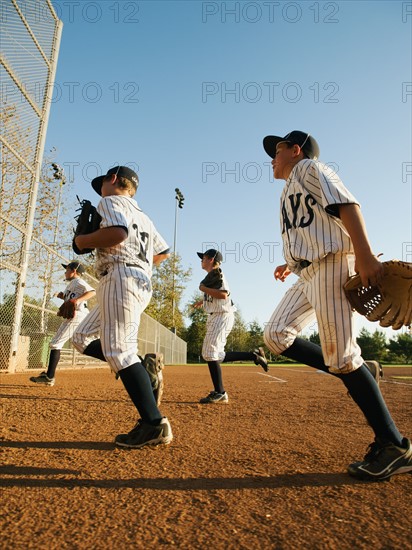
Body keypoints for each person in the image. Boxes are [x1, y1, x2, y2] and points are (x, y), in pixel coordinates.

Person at [262, 130, 411, 481]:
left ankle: (394, 445)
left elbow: (347, 206)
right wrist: (292, 261)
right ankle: (360, 371)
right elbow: (312, 228)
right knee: (275, 336)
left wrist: (364, 255)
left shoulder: (312, 168)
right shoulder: (290, 186)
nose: (272, 157)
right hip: (308, 271)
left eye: (277, 149)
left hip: (332, 264)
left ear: (296, 150)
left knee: (342, 358)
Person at [71, 165, 172, 449]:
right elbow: (163, 252)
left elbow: (117, 232)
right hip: (131, 281)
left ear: (113, 179)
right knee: (80, 338)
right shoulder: (145, 217)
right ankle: (142, 368)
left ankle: (154, 424)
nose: (100, 189)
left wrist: (83, 241)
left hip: (120, 278)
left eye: (102, 182)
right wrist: (141, 264)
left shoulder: (110, 201)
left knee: (118, 351)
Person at [193, 248, 268, 404]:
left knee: (209, 352)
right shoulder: (212, 275)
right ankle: (253, 356)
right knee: (216, 355)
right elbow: (218, 295)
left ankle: (220, 393)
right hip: (220, 316)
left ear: (211, 259)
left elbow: (224, 294)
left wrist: (203, 289)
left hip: (221, 317)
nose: (202, 260)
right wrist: (203, 301)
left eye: (204, 257)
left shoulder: (216, 273)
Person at [29, 262, 95, 387]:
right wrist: (62, 296)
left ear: (74, 271)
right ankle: (123, 363)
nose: (65, 272)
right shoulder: (72, 284)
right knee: (84, 344)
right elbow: (69, 298)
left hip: (77, 315)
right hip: (80, 315)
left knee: (55, 343)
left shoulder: (78, 281)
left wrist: (77, 301)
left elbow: (92, 292)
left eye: (67, 269)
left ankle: (49, 376)